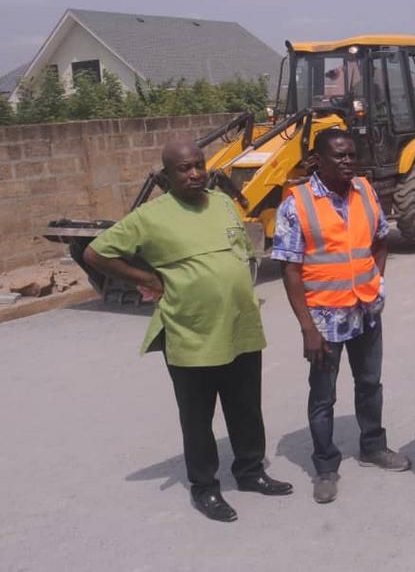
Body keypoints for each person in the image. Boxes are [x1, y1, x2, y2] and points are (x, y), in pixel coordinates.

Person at [82, 139, 292, 523]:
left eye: (199, 165)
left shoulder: (224, 204)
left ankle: (250, 471)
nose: (195, 173)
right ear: (167, 176)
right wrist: (145, 277)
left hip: (240, 325)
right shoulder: (151, 216)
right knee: (197, 416)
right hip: (190, 331)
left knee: (246, 407)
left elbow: (241, 252)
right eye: (184, 168)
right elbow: (96, 253)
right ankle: (205, 487)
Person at [273, 128, 411, 505]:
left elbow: (380, 239)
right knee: (323, 396)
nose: (349, 161)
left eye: (352, 155)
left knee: (370, 384)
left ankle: (373, 447)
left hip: (365, 310)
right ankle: (325, 466)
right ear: (318, 160)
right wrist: (307, 328)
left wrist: (375, 279)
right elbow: (290, 270)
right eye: (340, 156)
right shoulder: (296, 204)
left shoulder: (365, 191)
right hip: (324, 319)